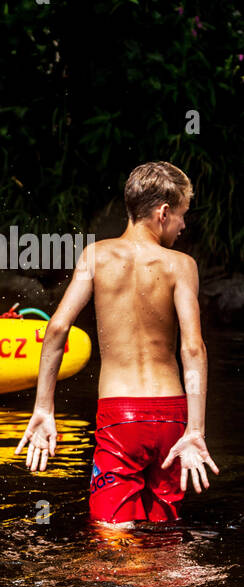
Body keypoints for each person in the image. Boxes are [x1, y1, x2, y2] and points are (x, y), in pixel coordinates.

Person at [16, 161, 218, 524]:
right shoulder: (181, 265)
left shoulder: (96, 256)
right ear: (163, 212)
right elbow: (192, 348)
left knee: (112, 536)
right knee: (165, 533)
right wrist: (196, 430)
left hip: (119, 418)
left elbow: (58, 327)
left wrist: (44, 407)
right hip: (171, 415)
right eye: (182, 216)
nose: (184, 226)